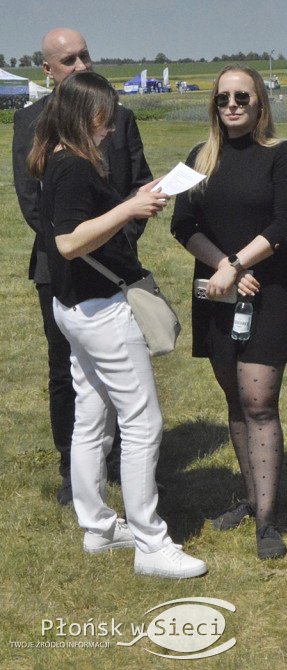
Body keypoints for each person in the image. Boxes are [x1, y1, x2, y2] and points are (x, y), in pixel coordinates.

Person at [27, 71, 207, 579]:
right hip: (100, 311)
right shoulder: (73, 168)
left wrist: (136, 197)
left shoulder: (60, 160)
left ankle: (98, 526)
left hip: (75, 308)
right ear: (83, 116)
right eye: (104, 118)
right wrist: (130, 205)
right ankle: (150, 542)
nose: (110, 128)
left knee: (92, 415)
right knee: (142, 422)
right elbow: (68, 241)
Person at [170, 64, 287, 561]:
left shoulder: (281, 156)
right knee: (234, 399)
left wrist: (240, 263)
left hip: (267, 290)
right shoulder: (198, 159)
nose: (232, 105)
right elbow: (182, 225)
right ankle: (251, 500)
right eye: (224, 97)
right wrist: (224, 267)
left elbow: (284, 222)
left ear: (259, 103)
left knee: (259, 402)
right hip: (216, 288)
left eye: (242, 97)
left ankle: (267, 522)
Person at [12, 28, 152, 505]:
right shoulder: (32, 121)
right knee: (65, 374)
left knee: (108, 383)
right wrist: (86, 242)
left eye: (85, 55)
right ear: (48, 71)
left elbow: (139, 183)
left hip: (113, 266)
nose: (81, 65)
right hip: (61, 268)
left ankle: (112, 464)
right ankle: (72, 467)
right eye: (69, 59)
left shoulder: (119, 115)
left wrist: (118, 238)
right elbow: (36, 207)